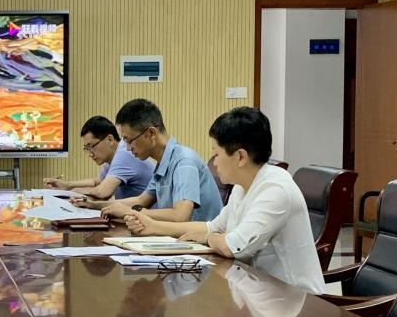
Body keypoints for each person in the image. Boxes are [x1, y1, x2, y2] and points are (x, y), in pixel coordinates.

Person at [123, 107, 326, 294]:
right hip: (259, 291)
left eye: (217, 154)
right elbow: (212, 227)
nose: (214, 162)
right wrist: (153, 227)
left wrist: (211, 237)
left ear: (240, 157)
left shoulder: (275, 189)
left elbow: (232, 246)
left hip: (295, 301)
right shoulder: (242, 186)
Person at [85, 99, 222, 222]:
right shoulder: (163, 163)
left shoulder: (184, 161)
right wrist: (93, 205)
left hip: (201, 241)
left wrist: (130, 212)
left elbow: (180, 215)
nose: (128, 148)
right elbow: (141, 200)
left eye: (129, 140)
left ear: (151, 133)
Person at [44, 115, 153, 199]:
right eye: (87, 148)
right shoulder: (114, 155)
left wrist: (70, 192)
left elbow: (102, 192)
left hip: (147, 217)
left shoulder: (125, 154)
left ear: (110, 139)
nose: (90, 154)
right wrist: (67, 185)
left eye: (91, 146)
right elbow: (98, 182)